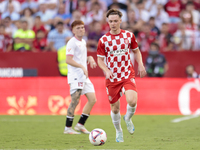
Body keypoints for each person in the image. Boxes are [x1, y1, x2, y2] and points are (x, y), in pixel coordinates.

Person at [97, 9, 146, 142]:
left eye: (115, 21)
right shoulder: (103, 40)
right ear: (108, 22)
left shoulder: (129, 36)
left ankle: (128, 118)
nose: (113, 23)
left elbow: (136, 51)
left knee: (132, 100)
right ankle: (119, 131)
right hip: (112, 78)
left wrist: (140, 64)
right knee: (115, 108)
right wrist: (106, 70)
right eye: (110, 21)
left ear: (120, 21)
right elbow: (99, 60)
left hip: (127, 74)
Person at [64, 20, 97, 134]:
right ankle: (68, 128)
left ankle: (80, 125)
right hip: (76, 76)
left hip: (84, 75)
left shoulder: (83, 41)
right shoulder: (71, 42)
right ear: (73, 30)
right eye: (78, 28)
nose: (81, 29)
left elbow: (82, 57)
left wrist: (90, 58)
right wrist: (82, 67)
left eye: (82, 27)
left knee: (92, 99)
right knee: (75, 100)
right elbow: (68, 59)